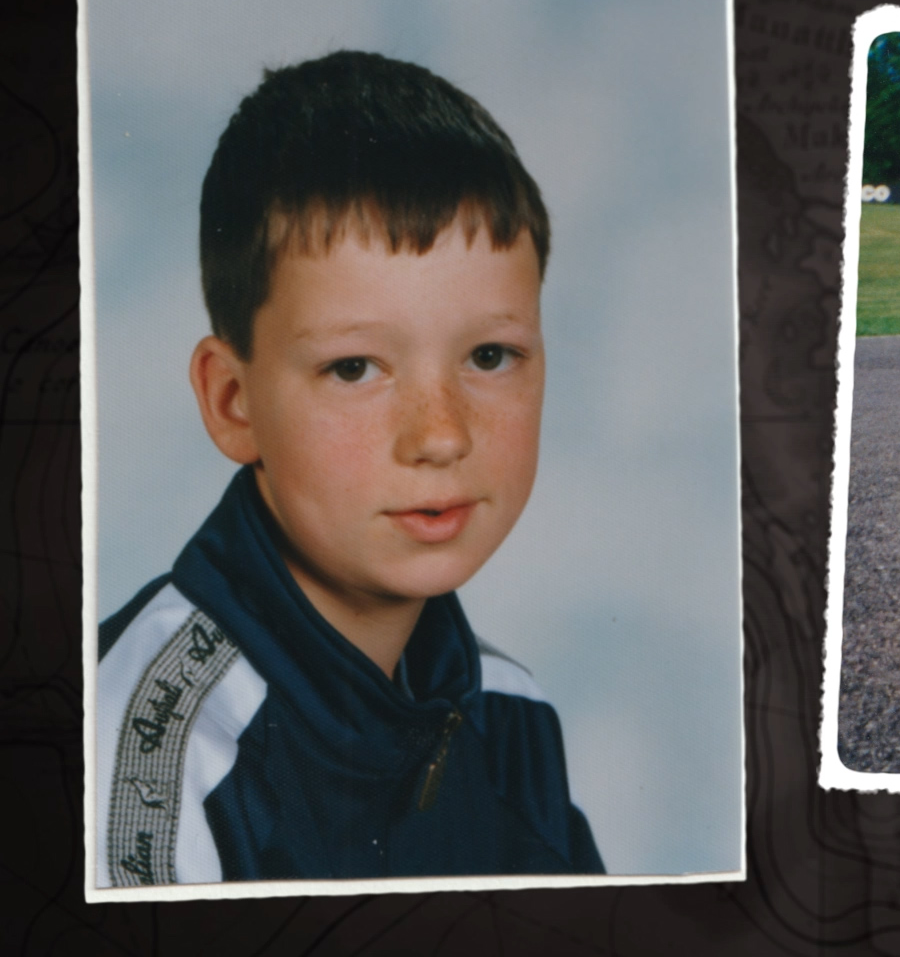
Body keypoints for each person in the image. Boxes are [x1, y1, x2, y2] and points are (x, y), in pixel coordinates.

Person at [95, 51, 604, 886]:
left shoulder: (511, 718)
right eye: (354, 368)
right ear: (233, 402)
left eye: (489, 355)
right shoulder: (146, 750)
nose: (440, 436)